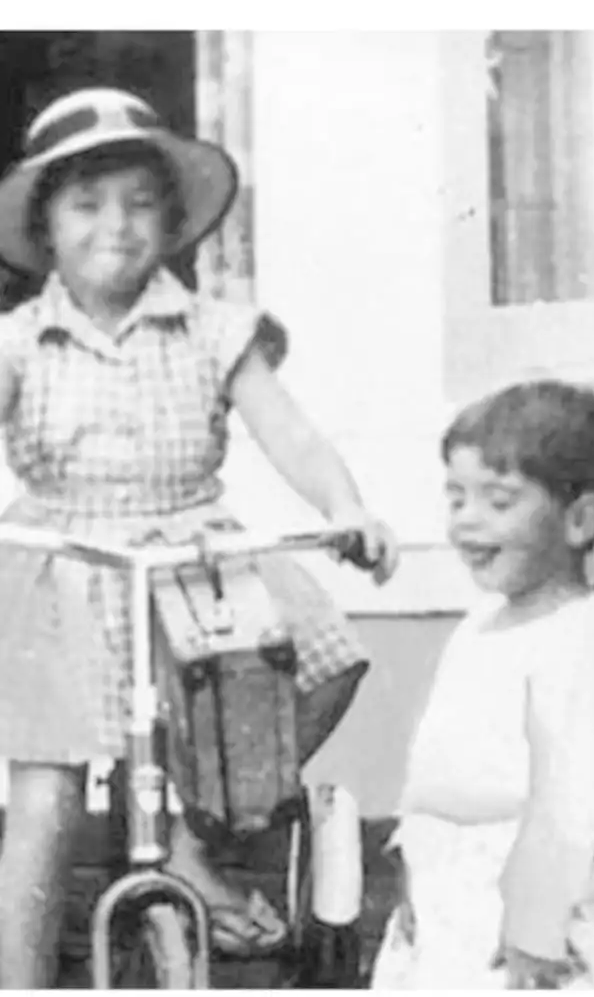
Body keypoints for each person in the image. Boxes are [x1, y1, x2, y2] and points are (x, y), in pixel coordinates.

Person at [0, 87, 399, 987]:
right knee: (43, 795)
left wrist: (345, 505)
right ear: (45, 228)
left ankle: (191, 837)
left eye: (141, 203)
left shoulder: (217, 331)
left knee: (320, 670)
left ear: (175, 223)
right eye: (86, 205)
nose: (116, 226)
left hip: (191, 556)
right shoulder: (20, 342)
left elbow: (290, 434)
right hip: (64, 568)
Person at [370, 380, 594, 990]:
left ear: (579, 520)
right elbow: (434, 756)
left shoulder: (574, 640)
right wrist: (412, 855)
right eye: (456, 498)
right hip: (448, 887)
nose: (467, 520)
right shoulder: (480, 623)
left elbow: (571, 793)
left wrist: (537, 927)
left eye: (498, 501)